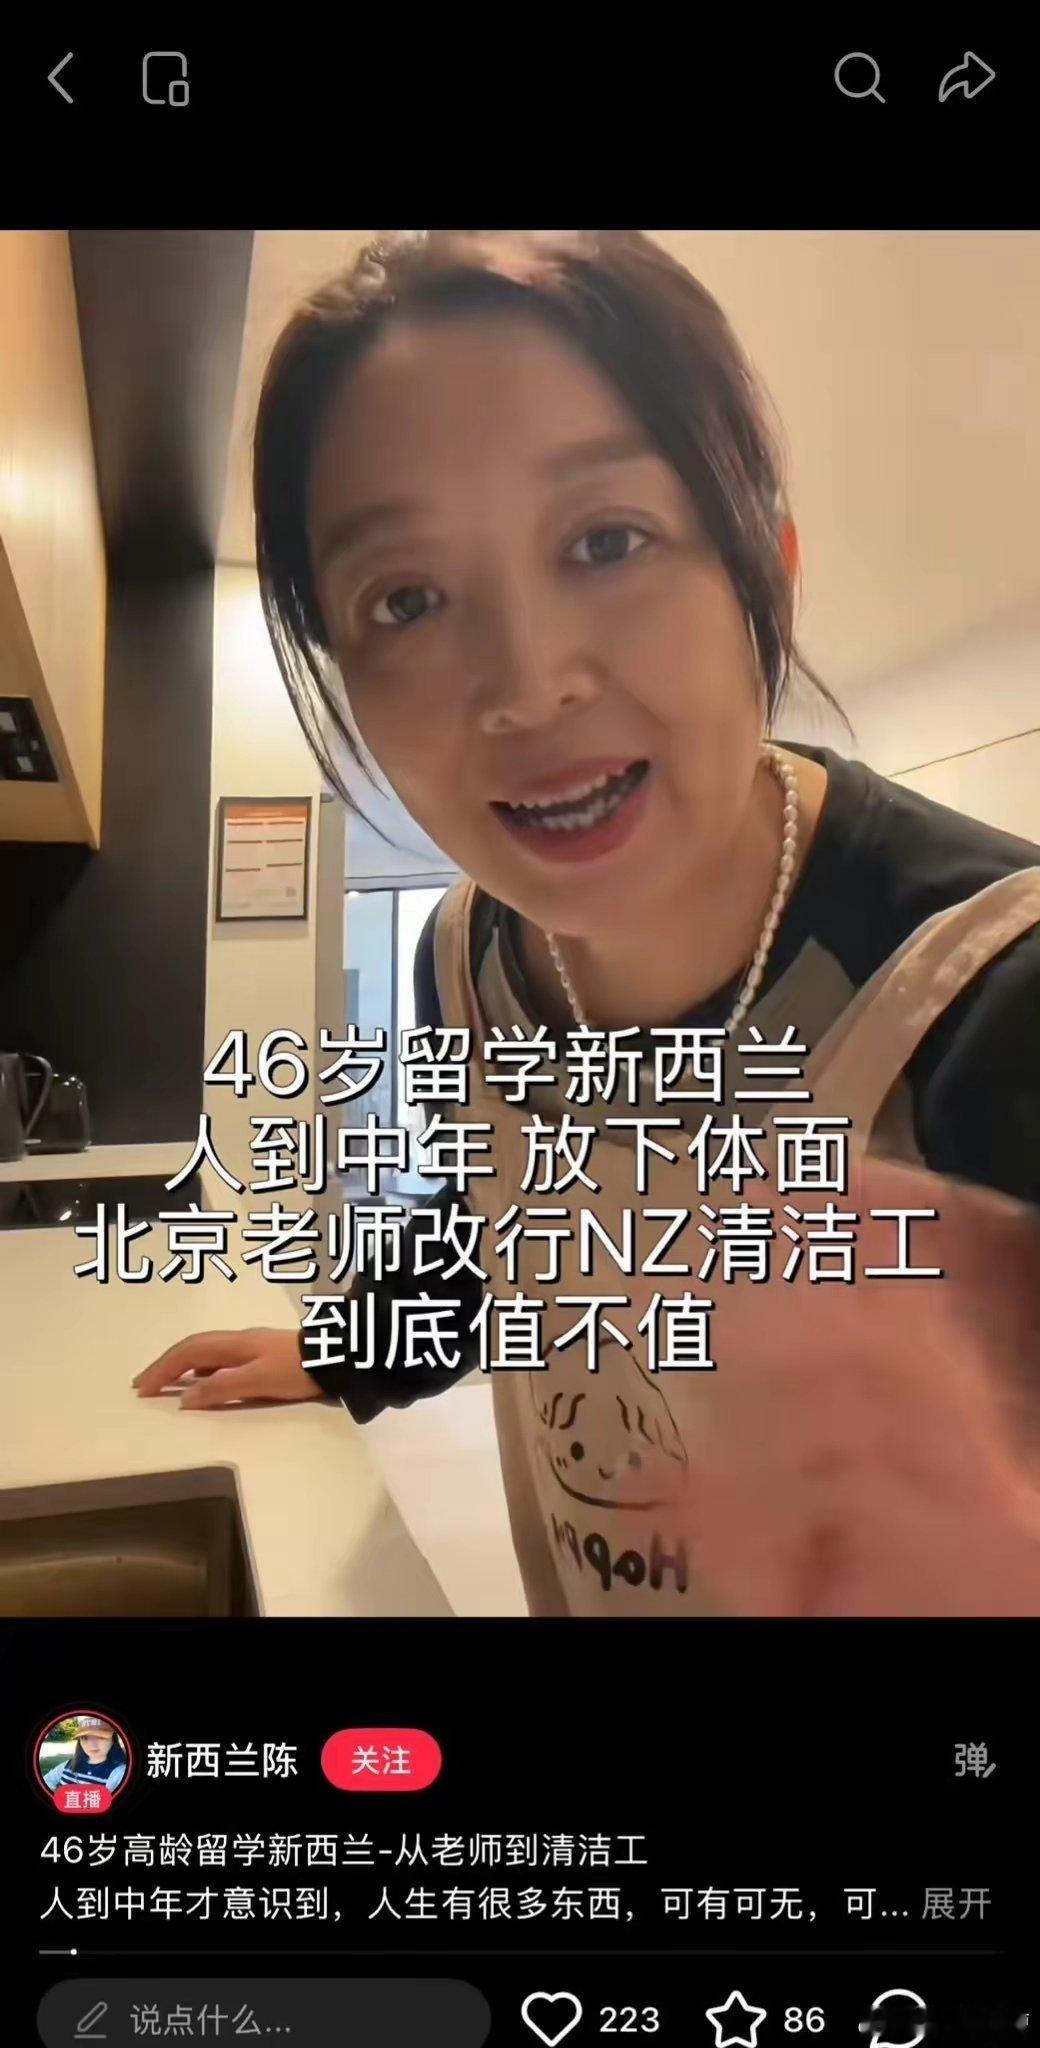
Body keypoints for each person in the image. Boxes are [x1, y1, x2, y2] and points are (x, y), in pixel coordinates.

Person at [134, 229, 1040, 1615]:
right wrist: (346, 1348)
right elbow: (508, 1222)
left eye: (606, 541)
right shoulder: (468, 953)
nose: (526, 683)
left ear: (765, 566)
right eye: (406, 599)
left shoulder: (988, 993)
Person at [41, 1715, 128, 1794]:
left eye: (100, 1737)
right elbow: (46, 1782)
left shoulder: (119, 1773)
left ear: (113, 1740)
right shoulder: (68, 1764)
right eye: (85, 1738)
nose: (92, 1744)